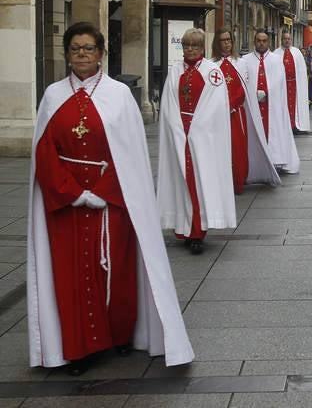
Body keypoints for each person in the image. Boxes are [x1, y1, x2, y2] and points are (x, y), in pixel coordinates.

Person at [28, 22, 193, 375]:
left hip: (111, 205)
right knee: (70, 279)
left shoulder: (119, 95)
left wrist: (102, 192)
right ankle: (79, 349)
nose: (82, 55)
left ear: (101, 53)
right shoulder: (53, 96)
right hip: (67, 207)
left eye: (88, 48)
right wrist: (74, 194)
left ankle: (117, 336)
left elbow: (130, 155)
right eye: (75, 49)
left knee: (116, 273)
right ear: (67, 55)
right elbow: (44, 153)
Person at [157, 28, 236, 255]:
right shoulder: (175, 71)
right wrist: (177, 128)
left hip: (202, 136)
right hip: (179, 133)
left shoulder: (212, 72)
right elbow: (168, 103)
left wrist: (197, 129)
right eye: (186, 46)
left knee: (199, 182)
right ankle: (183, 228)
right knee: (181, 181)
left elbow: (216, 107)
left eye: (195, 46)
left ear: (202, 48)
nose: (190, 50)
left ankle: (198, 232)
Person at [241, 29, 300, 174]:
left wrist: (268, 93)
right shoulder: (245, 60)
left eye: (264, 41)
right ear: (254, 42)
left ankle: (275, 160)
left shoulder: (276, 60)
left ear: (269, 42)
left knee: (274, 130)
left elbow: (280, 83)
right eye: (258, 41)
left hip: (271, 106)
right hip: (253, 107)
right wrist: (253, 94)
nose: (261, 43)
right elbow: (244, 82)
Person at [212, 28, 248, 195]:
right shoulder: (211, 65)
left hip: (235, 114)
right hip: (217, 115)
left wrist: (231, 105)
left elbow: (243, 91)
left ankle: (238, 181)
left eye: (228, 40)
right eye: (223, 40)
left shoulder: (240, 63)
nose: (226, 43)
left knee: (237, 148)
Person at [267, 29, 310, 132]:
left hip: (295, 84)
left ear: (291, 40)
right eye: (285, 39)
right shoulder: (276, 53)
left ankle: (295, 125)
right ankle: (284, 126)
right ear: (281, 40)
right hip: (282, 86)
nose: (287, 41)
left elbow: (302, 70)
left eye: (289, 39)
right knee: (283, 105)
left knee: (294, 105)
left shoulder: (297, 52)